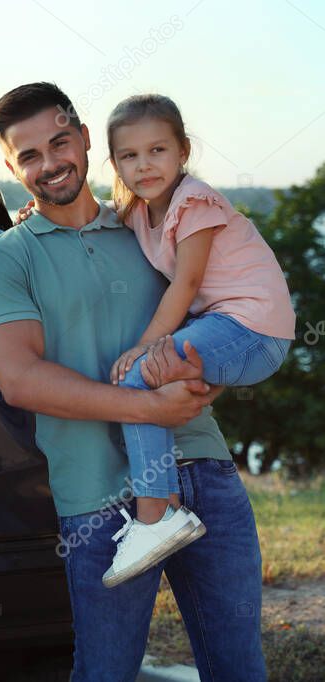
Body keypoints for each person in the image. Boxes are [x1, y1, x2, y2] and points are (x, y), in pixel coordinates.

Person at [0, 83, 267, 680]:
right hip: (98, 500)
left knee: (238, 666)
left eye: (60, 142)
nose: (50, 162)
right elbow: (21, 379)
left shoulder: (149, 227)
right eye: (28, 155)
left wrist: (204, 378)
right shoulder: (6, 258)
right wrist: (149, 409)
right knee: (106, 673)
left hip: (204, 471)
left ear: (86, 141)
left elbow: (224, 316)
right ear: (10, 166)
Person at [99, 94, 295, 586]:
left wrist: (142, 348)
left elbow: (185, 285)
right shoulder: (139, 212)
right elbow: (98, 218)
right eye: (129, 156)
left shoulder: (195, 201)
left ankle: (155, 517)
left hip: (253, 328)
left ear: (183, 150)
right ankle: (165, 505)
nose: (144, 165)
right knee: (159, 381)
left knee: (139, 376)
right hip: (232, 332)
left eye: (157, 150)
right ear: (115, 163)